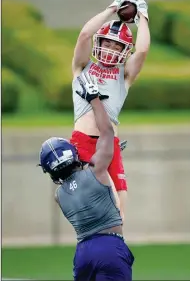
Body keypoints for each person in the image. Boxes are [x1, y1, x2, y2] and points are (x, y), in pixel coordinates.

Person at [39, 72, 134, 281]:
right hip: (110, 247)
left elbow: (74, 180)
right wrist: (94, 99)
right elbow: (108, 133)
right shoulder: (97, 169)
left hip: (82, 254)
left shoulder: (59, 195)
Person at [70, 0, 150, 221]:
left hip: (111, 145)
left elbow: (142, 51)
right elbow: (85, 34)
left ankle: (114, 252)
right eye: (107, 42)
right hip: (83, 142)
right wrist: (112, 8)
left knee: (119, 214)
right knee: (87, 213)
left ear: (125, 50)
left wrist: (143, 16)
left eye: (117, 45)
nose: (111, 48)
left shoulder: (124, 75)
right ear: (99, 42)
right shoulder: (82, 66)